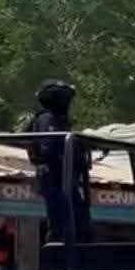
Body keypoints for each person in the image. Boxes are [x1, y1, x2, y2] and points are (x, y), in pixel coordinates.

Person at [24, 80, 91, 244]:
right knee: (63, 225)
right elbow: (49, 150)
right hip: (56, 180)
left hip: (64, 181)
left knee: (78, 223)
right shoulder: (47, 119)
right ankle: (58, 249)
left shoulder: (59, 122)